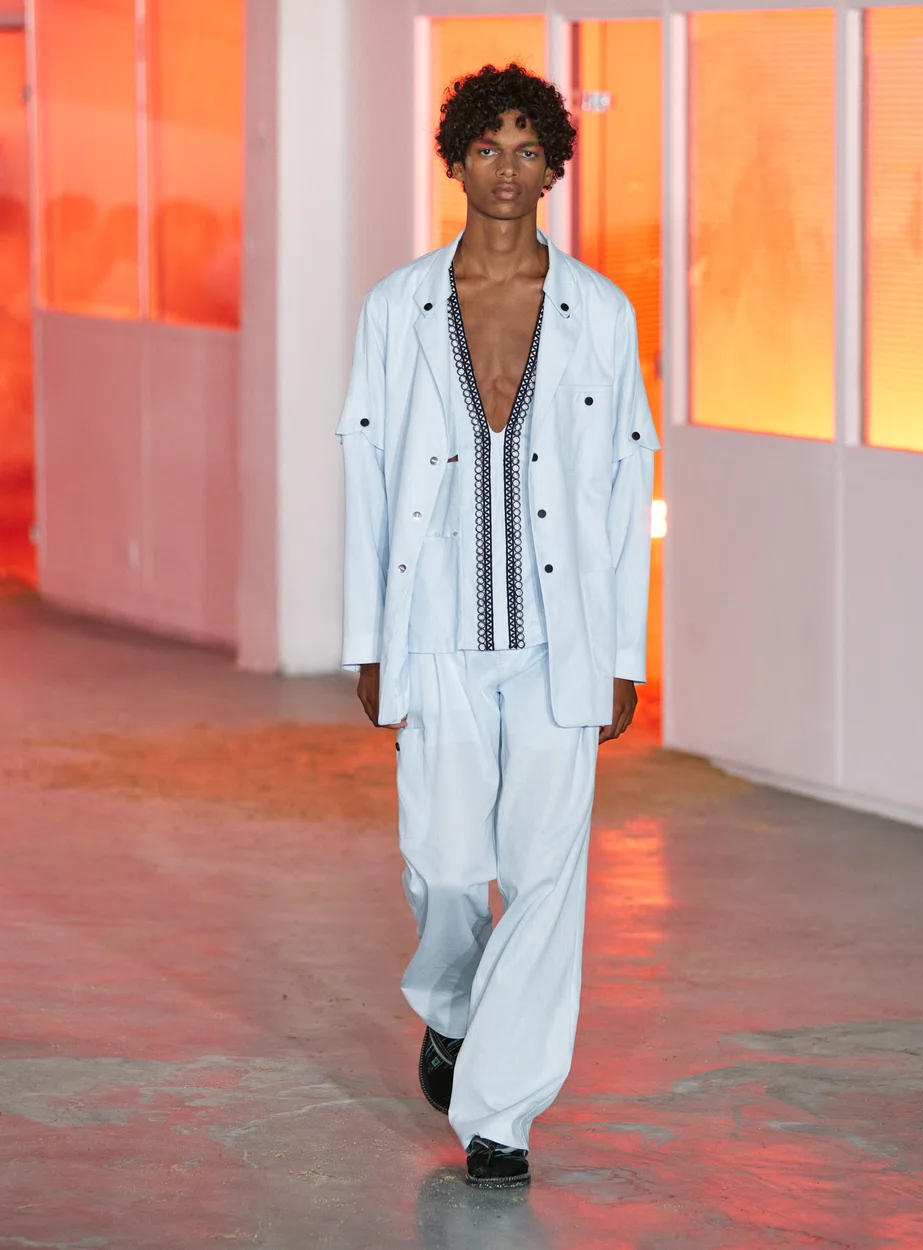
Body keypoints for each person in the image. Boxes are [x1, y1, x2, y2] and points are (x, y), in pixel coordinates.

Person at [337, 63, 658, 1189]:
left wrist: (624, 654)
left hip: (562, 637)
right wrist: (367, 639)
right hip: (433, 627)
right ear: (457, 162)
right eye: (488, 149)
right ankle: (451, 1002)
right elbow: (368, 473)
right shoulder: (398, 307)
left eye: (528, 150)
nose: (507, 171)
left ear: (554, 165)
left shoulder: (600, 312)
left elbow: (625, 484)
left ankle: (501, 1116)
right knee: (441, 860)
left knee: (544, 872)